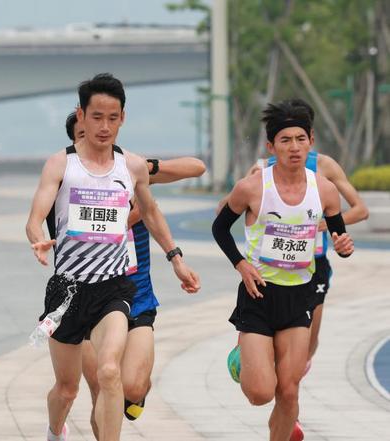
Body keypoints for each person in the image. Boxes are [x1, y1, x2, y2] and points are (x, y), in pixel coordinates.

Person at [26, 73, 200, 441]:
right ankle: (55, 431)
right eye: (96, 117)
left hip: (113, 289)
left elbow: (150, 212)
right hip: (68, 291)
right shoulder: (60, 164)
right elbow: (35, 216)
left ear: (123, 118)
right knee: (67, 389)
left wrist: (176, 259)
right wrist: (38, 238)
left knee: (109, 372)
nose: (104, 127)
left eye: (112, 118)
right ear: (81, 115)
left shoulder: (132, 166)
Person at [212, 99, 354, 441]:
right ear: (271, 146)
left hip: (298, 297)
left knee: (289, 391)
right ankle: (244, 356)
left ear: (311, 141)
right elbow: (220, 227)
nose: (294, 147)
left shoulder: (325, 190)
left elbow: (339, 235)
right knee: (260, 393)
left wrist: (344, 247)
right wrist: (241, 264)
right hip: (258, 293)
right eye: (285, 140)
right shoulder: (252, 187)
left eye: (300, 139)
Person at [65, 110, 207, 434]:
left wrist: (148, 168)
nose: (94, 137)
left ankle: (139, 391)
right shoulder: (67, 181)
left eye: (101, 127)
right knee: (101, 387)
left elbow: (197, 167)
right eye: (81, 136)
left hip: (137, 296)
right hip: (90, 299)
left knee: (131, 386)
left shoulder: (130, 171)